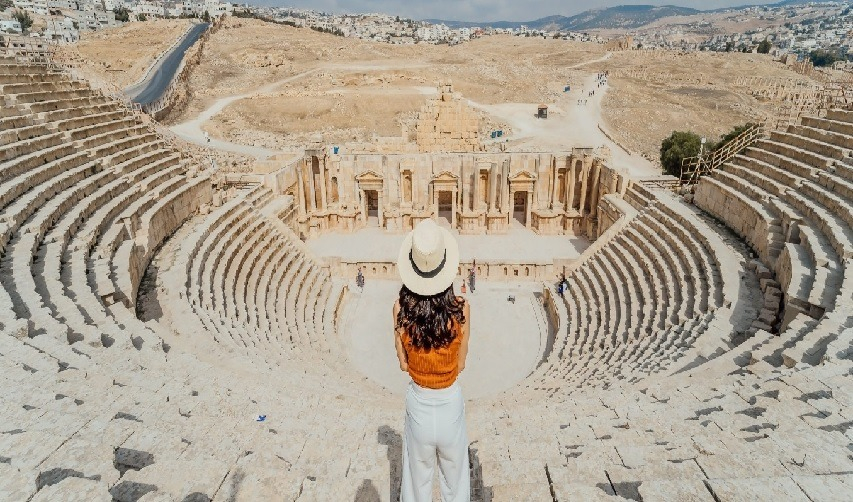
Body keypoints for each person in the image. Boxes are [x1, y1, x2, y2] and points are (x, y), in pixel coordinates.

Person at [394, 219, 471, 502]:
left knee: (417, 484)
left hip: (419, 406)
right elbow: (460, 365)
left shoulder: (400, 311)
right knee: (456, 483)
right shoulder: (462, 311)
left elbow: (403, 364)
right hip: (450, 404)